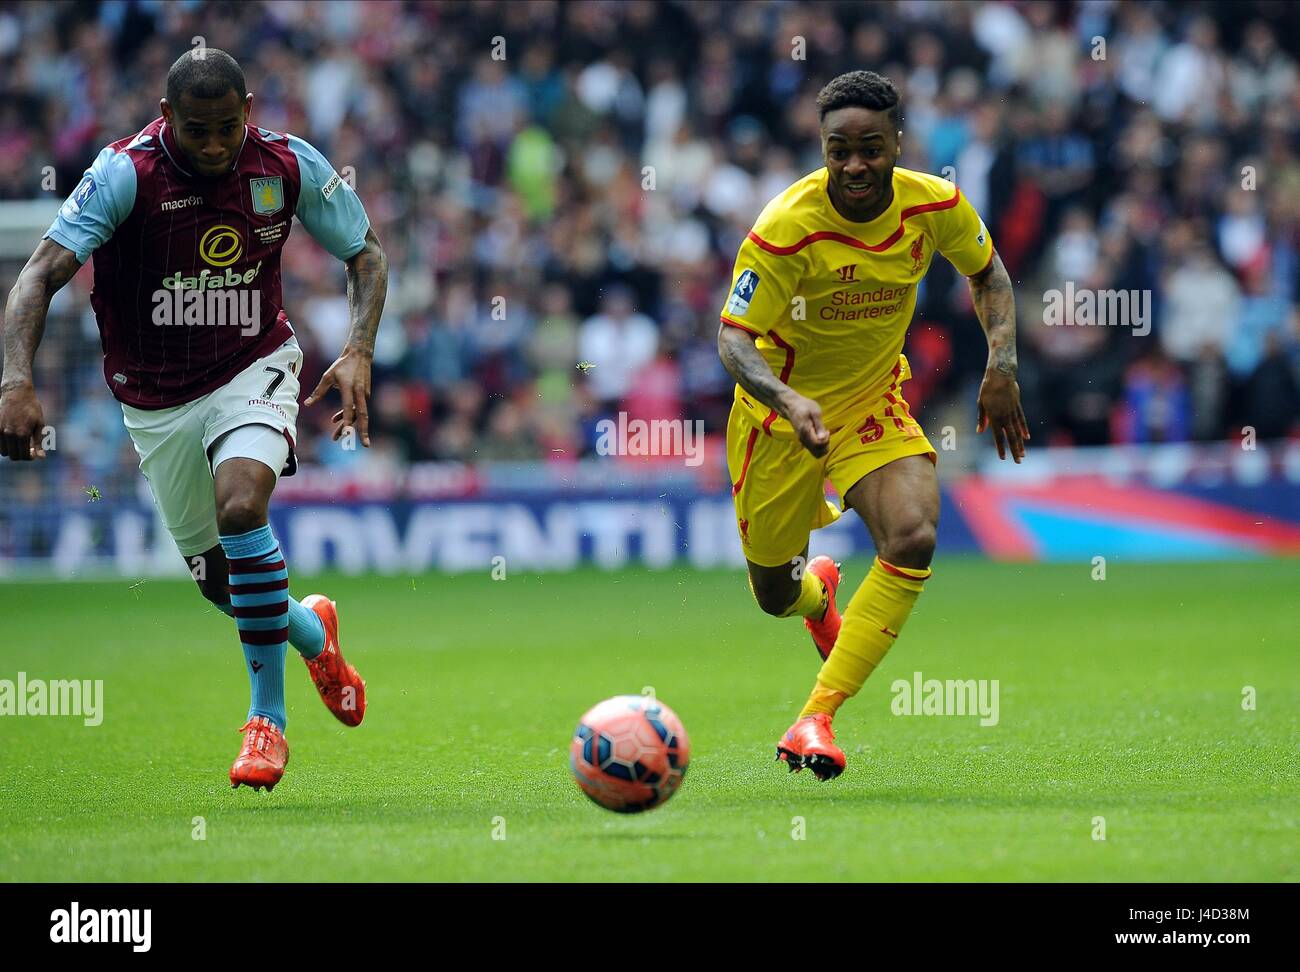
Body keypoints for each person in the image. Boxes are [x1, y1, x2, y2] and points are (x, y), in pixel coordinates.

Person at [0, 48, 389, 792]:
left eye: (225, 129)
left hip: (255, 363)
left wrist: (359, 348)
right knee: (221, 583)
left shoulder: (287, 164)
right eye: (196, 131)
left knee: (242, 505)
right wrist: (16, 380)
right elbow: (39, 275)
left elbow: (365, 253)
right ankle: (313, 634)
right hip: (154, 398)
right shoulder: (125, 174)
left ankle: (265, 722)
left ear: (248, 112)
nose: (213, 146)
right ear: (165, 115)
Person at [716, 71, 1027, 781]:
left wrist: (1001, 362)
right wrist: (787, 401)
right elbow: (733, 339)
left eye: (871, 148)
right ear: (822, 149)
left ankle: (815, 717)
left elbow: (988, 273)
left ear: (897, 144)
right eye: (839, 150)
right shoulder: (785, 228)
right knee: (772, 594)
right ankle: (816, 595)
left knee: (914, 533)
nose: (855, 165)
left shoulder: (935, 204)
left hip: (870, 403)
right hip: (779, 419)